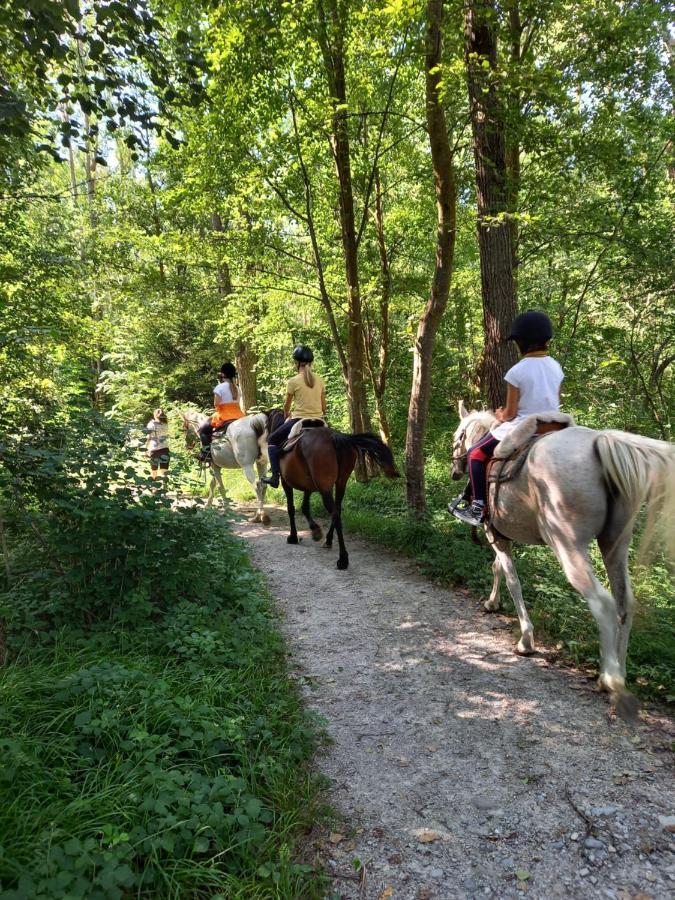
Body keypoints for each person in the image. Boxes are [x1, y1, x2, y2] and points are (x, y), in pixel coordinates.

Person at [450, 310, 564, 526]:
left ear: (521, 342)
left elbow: (511, 413)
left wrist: (501, 415)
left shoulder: (516, 371)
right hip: (555, 423)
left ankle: (477, 507)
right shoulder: (556, 366)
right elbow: (554, 400)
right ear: (546, 340)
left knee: (475, 453)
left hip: (525, 425)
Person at [261, 345, 327, 488]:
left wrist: (286, 414)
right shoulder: (320, 380)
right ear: (311, 362)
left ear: (297, 363)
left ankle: (274, 477)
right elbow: (324, 407)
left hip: (299, 419)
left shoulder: (293, 381)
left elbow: (287, 406)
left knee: (272, 439)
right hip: (319, 420)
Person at [199, 362, 245, 461]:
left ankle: (206, 454)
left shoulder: (219, 387)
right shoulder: (237, 388)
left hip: (224, 415)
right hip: (239, 415)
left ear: (223, 374)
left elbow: (216, 404)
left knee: (203, 429)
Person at [145, 408, 170, 482]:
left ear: (155, 415)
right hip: (165, 449)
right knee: (164, 471)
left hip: (154, 450)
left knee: (154, 471)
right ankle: (164, 489)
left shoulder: (152, 424)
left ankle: (154, 489)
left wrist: (145, 449)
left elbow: (148, 437)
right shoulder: (165, 424)